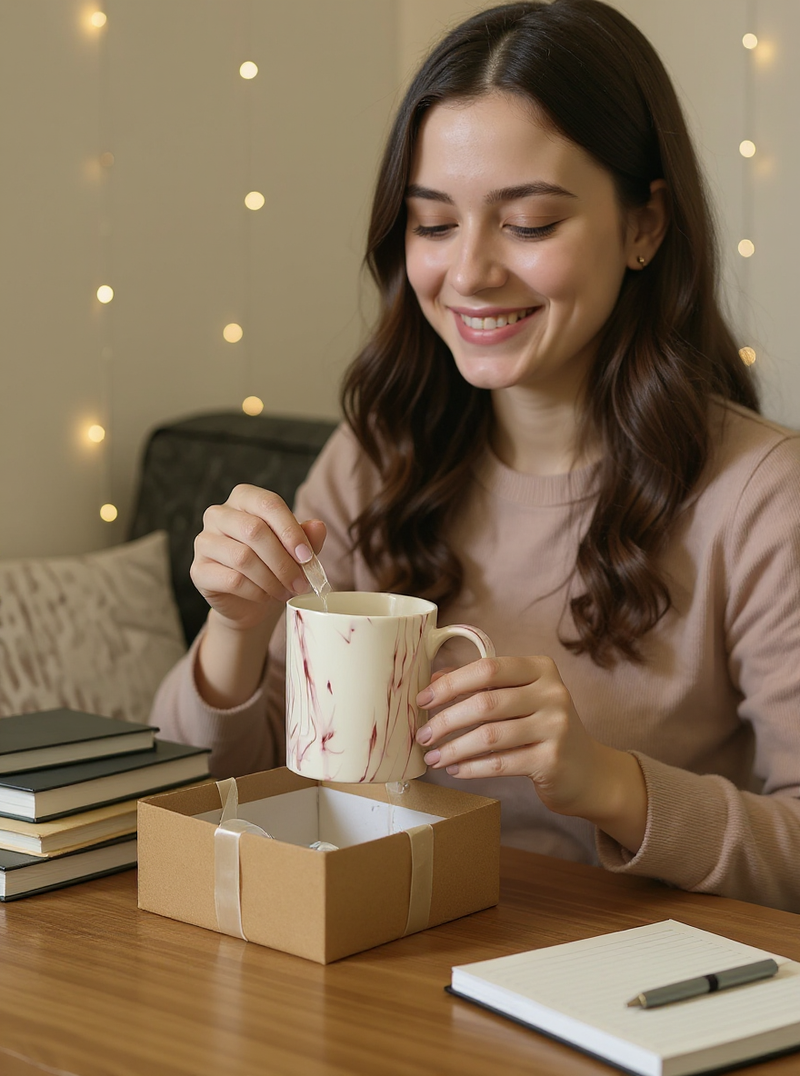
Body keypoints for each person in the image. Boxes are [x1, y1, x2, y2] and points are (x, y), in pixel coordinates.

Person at [151, 0, 800, 912]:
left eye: (529, 224)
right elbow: (199, 790)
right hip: (385, 951)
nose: (470, 273)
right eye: (433, 224)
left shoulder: (764, 496)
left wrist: (611, 783)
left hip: (624, 993)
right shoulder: (378, 459)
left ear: (646, 225)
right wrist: (234, 625)